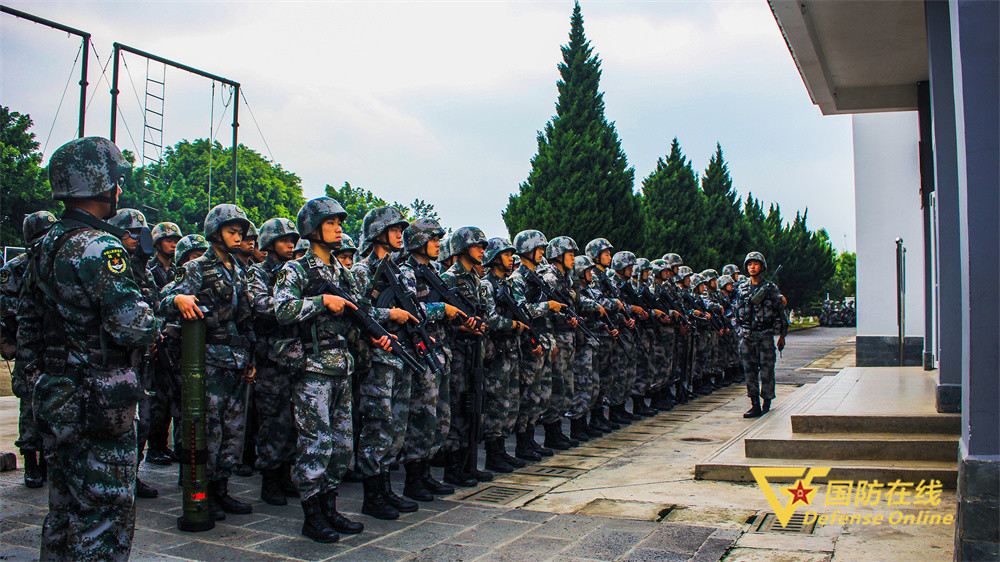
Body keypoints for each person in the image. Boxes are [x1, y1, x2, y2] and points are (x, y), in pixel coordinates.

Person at [17, 137, 159, 560]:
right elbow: (132, 326)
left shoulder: (44, 243)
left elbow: (28, 322)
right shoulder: (100, 246)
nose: (119, 188)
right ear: (103, 182)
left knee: (63, 511)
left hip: (57, 391)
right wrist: (156, 322)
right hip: (97, 398)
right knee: (104, 514)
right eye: (116, 179)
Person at [274, 197, 379, 542]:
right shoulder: (296, 270)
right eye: (332, 223)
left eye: (339, 223)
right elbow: (281, 309)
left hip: (342, 367)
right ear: (313, 229)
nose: (339, 229)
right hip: (312, 368)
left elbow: (363, 311)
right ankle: (312, 514)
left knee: (342, 445)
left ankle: (330, 507)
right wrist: (321, 301)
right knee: (315, 444)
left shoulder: (343, 272)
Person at [162, 204, 256, 520]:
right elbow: (166, 300)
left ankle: (221, 488)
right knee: (210, 430)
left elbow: (248, 320)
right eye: (232, 231)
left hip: (236, 359)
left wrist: (250, 358)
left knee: (233, 430)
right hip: (209, 359)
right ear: (215, 233)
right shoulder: (197, 268)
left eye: (241, 233)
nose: (239, 237)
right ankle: (204, 490)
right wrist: (178, 299)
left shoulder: (240, 270)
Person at [351, 206, 422, 520]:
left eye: (399, 229)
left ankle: (386, 489)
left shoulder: (403, 271)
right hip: (378, 359)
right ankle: (372, 495)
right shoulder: (361, 270)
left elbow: (412, 309)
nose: (399, 234)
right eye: (392, 229)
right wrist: (387, 315)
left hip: (401, 356)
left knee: (396, 425)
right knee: (377, 424)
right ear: (376, 233)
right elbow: (356, 311)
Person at [397, 218, 471, 498]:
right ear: (417, 241)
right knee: (422, 417)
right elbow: (411, 309)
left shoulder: (432, 272)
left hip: (440, 351)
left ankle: (426, 473)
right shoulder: (406, 272)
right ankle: (414, 479)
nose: (438, 243)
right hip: (421, 352)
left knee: (440, 417)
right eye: (433, 238)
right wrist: (444, 310)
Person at [1, 210, 56, 489]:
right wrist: (10, 342)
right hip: (29, 347)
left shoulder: (57, 263)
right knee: (29, 406)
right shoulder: (16, 268)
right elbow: (5, 309)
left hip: (55, 345)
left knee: (54, 402)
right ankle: (31, 462)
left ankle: (48, 459)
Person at [248, 217, 301, 506]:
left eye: (293, 240)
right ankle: (269, 478)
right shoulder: (258, 273)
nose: (291, 244)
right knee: (271, 419)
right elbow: (261, 305)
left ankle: (285, 474)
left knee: (292, 420)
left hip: (293, 356)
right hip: (269, 358)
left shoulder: (295, 271)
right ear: (269, 244)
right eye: (284, 240)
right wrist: (291, 307)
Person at [507, 230, 567, 461]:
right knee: (529, 395)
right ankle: (523, 443)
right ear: (527, 251)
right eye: (538, 249)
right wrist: (547, 305)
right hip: (529, 345)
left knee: (541, 395)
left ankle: (530, 440)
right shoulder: (517, 279)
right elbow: (522, 311)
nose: (542, 252)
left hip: (543, 341)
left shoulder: (537, 277)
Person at [480, 237, 532, 472]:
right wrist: (514, 325)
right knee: (496, 403)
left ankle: (502, 451)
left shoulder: (507, 284)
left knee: (510, 403)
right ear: (494, 258)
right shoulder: (487, 285)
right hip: (496, 354)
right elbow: (489, 319)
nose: (511, 259)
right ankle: (493, 454)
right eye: (506, 254)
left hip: (511, 351)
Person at [145, 221, 183, 467]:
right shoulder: (150, 270)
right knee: (157, 399)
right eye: (169, 240)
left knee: (171, 396)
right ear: (158, 243)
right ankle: (155, 447)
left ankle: (163, 445)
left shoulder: (177, 270)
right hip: (158, 339)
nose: (173, 244)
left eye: (176, 240)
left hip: (175, 341)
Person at [734, 252, 786, 418]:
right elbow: (735, 311)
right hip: (747, 335)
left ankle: (767, 402)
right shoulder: (741, 287)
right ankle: (754, 404)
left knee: (767, 371)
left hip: (764, 335)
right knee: (749, 371)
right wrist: (739, 331)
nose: (752, 267)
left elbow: (780, 313)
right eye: (750, 264)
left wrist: (782, 335)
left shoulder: (771, 289)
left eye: (756, 264)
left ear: (762, 267)